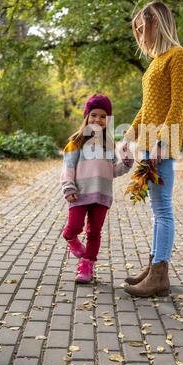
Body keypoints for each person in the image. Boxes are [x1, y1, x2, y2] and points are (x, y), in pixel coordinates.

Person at [123, 1, 183, 297]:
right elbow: (146, 108)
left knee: (163, 210)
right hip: (149, 143)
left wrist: (164, 141)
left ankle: (160, 274)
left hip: (162, 143)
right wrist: (127, 137)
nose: (140, 34)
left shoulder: (178, 56)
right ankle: (153, 267)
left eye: (142, 27)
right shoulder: (155, 62)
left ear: (156, 23)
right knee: (156, 210)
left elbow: (178, 104)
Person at [60, 93, 133, 283]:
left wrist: (126, 163)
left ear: (107, 120)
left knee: (94, 232)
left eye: (103, 116)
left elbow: (113, 171)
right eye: (93, 115)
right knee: (75, 225)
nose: (97, 119)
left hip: (102, 194)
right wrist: (68, 187)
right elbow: (67, 168)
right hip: (79, 193)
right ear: (86, 116)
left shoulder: (109, 144)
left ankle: (87, 266)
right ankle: (69, 236)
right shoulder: (75, 142)